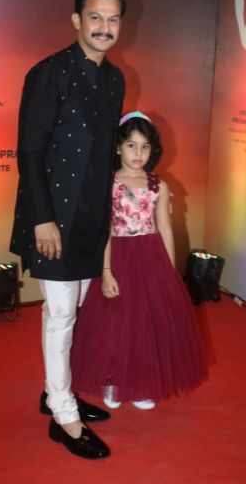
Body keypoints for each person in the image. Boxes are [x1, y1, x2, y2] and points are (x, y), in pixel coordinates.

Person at [9, 0, 127, 460]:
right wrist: (43, 220)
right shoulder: (48, 73)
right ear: (77, 19)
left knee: (72, 308)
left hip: (91, 218)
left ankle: (52, 391)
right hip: (52, 218)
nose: (104, 27)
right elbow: (29, 151)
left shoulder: (115, 79)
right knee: (61, 315)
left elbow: (104, 156)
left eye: (113, 20)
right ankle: (63, 416)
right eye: (95, 17)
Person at [70, 112, 209, 410]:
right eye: (131, 145)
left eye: (145, 147)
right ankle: (113, 380)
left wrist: (169, 271)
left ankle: (143, 382)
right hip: (116, 257)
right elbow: (105, 230)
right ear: (118, 147)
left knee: (148, 323)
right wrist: (107, 272)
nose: (138, 153)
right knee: (114, 322)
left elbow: (165, 230)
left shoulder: (158, 184)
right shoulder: (107, 184)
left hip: (151, 257)